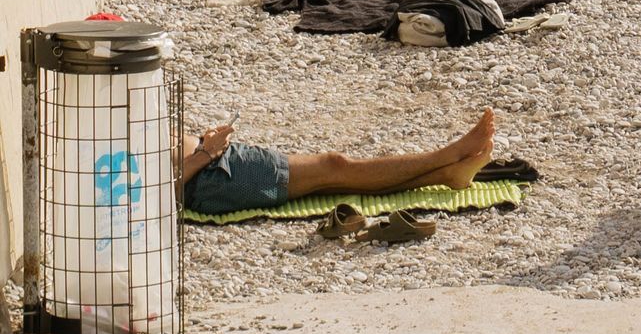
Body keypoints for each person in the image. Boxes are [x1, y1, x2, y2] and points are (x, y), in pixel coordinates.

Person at [179, 109, 496, 217]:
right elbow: (154, 192)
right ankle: (445, 158)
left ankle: (447, 174)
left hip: (212, 164)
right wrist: (205, 154)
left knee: (333, 179)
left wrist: (205, 145)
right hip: (213, 175)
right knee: (334, 168)